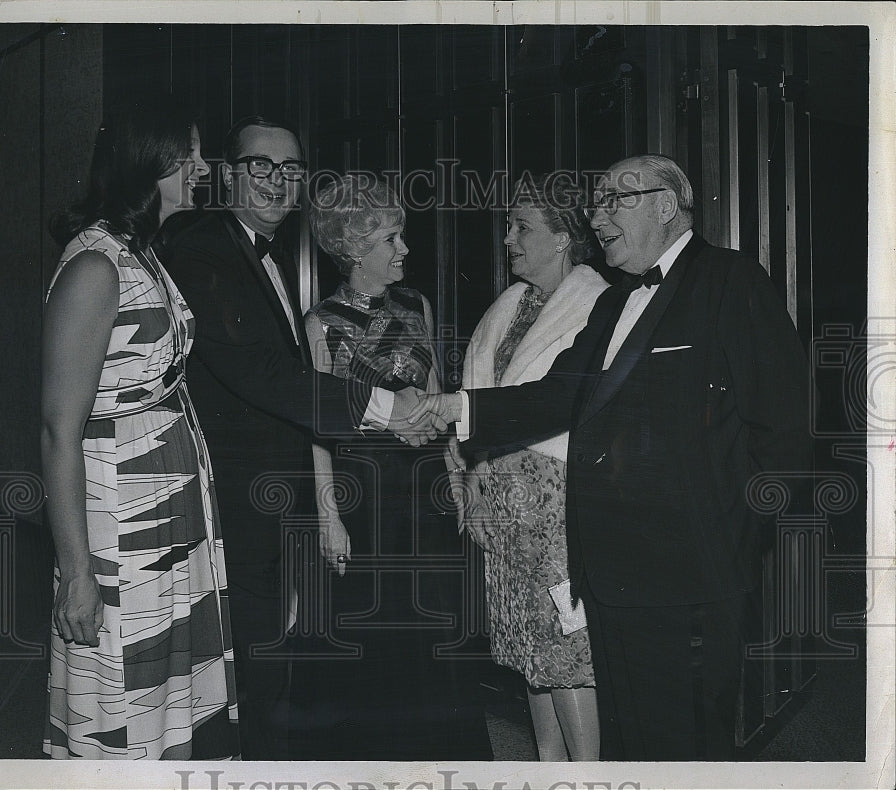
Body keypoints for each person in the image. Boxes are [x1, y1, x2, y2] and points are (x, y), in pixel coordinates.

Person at [416, 154, 812, 760]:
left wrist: (740, 539)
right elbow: (557, 396)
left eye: (615, 200)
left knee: (691, 744)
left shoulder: (731, 281)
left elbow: (781, 426)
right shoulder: (611, 302)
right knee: (630, 741)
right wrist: (458, 407)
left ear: (665, 204)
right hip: (610, 570)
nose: (599, 216)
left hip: (693, 572)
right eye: (596, 203)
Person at [157, 119, 433, 759]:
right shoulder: (202, 245)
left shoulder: (269, 253)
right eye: (262, 166)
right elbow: (267, 377)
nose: (279, 180)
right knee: (251, 659)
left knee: (270, 654)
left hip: (275, 499)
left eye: (291, 168)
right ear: (229, 173)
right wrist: (386, 408)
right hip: (236, 495)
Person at [41, 98, 241, 759]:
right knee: (122, 700)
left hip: (163, 513)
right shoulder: (95, 267)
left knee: (162, 696)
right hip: (119, 521)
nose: (204, 166)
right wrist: (76, 573)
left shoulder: (140, 253)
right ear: (148, 162)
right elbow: (57, 429)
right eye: (190, 154)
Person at [292, 173, 491, 760]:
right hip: (365, 493)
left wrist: (455, 477)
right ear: (354, 250)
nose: (404, 249)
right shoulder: (320, 322)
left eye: (401, 236)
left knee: (436, 629)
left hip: (426, 488)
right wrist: (328, 516)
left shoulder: (417, 305)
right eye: (390, 239)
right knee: (374, 633)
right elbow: (317, 429)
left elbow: (436, 393)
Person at [453, 173, 608, 760]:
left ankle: (588, 772)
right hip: (505, 511)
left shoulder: (597, 303)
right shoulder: (510, 306)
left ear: (564, 235)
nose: (509, 240)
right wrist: (471, 476)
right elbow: (480, 405)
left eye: (522, 227)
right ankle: (547, 766)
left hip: (559, 508)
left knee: (568, 645)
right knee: (529, 647)